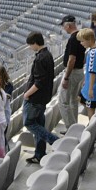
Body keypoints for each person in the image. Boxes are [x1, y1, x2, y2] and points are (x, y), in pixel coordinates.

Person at [22, 31, 60, 165]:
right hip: (43, 97)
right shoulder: (47, 55)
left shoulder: (40, 58)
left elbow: (39, 82)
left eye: (30, 45)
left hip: (35, 98)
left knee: (29, 123)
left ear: (35, 43)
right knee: (39, 124)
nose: (30, 48)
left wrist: (27, 94)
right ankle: (39, 154)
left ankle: (55, 141)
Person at [57, 15, 85, 130]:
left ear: (68, 25)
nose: (64, 29)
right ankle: (75, 127)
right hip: (79, 71)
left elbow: (71, 59)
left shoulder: (73, 38)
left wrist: (66, 77)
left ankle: (71, 129)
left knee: (63, 102)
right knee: (73, 100)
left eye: (64, 26)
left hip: (72, 73)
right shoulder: (81, 36)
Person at [78, 28, 96, 117]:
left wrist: (90, 89)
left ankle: (91, 126)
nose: (81, 44)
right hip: (91, 84)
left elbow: (93, 72)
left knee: (91, 108)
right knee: (80, 99)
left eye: (82, 41)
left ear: (89, 39)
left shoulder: (93, 53)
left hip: (93, 85)